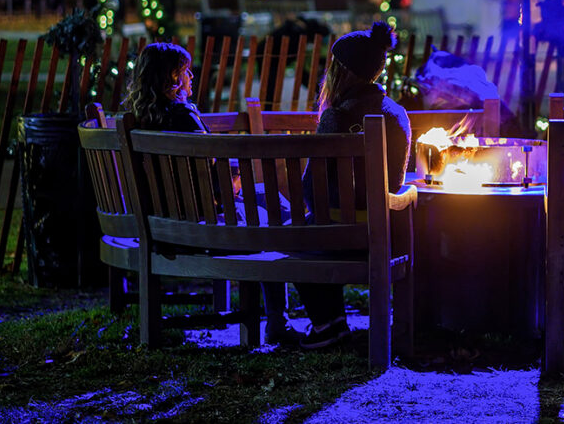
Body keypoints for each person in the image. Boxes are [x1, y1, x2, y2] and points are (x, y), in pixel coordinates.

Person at [124, 42, 300, 345]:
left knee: (272, 202)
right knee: (273, 215)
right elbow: (213, 181)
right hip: (200, 218)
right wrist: (234, 182)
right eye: (185, 71)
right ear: (173, 78)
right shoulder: (183, 117)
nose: (191, 76)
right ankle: (278, 318)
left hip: (163, 216)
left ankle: (281, 312)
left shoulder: (139, 118)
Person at [299, 21, 412, 350]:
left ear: (342, 71)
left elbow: (312, 187)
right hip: (389, 233)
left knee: (301, 234)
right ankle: (335, 325)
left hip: (338, 237)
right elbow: (398, 180)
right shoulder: (397, 114)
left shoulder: (335, 117)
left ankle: (328, 325)